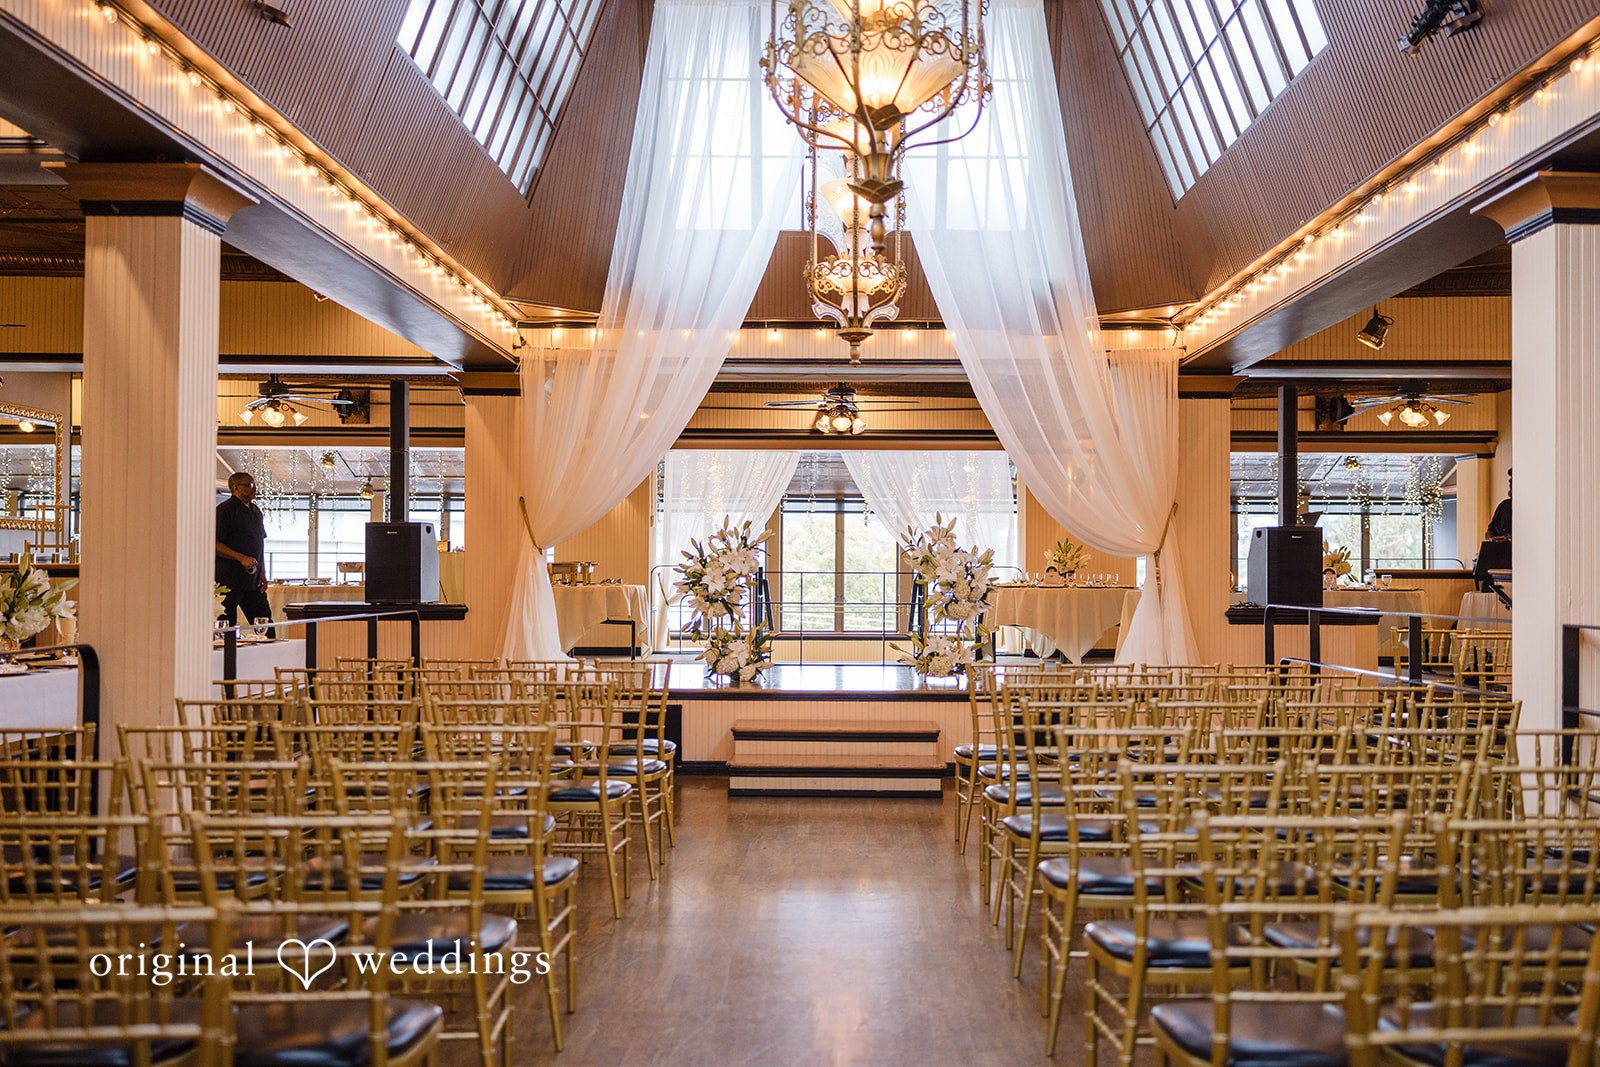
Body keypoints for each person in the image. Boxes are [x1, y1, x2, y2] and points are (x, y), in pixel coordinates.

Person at [215, 472, 272, 627]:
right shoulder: (225, 510)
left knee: (264, 623)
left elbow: (260, 543)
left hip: (253, 582)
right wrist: (240, 557)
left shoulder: (256, 511)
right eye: (249, 485)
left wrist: (262, 572)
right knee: (227, 625)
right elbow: (214, 544)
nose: (254, 488)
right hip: (229, 580)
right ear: (236, 488)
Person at [1486, 467, 1512, 539]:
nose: (1509, 480)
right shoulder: (1504, 505)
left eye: (1514, 478)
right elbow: (1491, 530)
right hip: (1501, 548)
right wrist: (1490, 539)